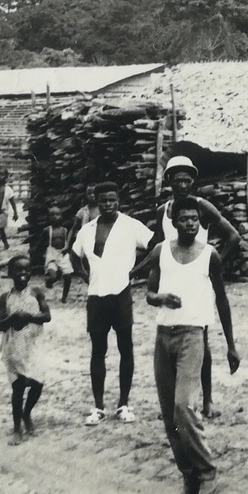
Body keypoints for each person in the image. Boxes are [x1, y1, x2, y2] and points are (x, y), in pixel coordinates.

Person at [146, 195, 241, 494]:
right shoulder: (162, 251)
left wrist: (231, 345)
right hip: (163, 336)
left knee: (184, 405)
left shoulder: (209, 255)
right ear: (173, 223)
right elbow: (149, 292)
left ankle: (207, 470)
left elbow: (222, 300)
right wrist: (161, 298)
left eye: (194, 219)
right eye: (184, 219)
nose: (189, 223)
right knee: (169, 414)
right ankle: (188, 476)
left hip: (192, 335)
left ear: (200, 224)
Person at [137, 154, 244, 419]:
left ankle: (206, 400)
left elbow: (233, 236)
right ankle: (174, 400)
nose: (183, 185)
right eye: (177, 180)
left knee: (201, 341)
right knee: (169, 340)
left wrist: (209, 267)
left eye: (187, 180)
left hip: (197, 280)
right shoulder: (164, 211)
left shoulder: (201, 207)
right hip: (172, 281)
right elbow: (158, 250)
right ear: (169, 181)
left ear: (193, 181)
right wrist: (142, 275)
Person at [70, 181, 153, 425]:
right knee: (98, 350)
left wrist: (135, 272)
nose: (108, 205)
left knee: (125, 348)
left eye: (113, 200)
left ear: (119, 200)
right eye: (104, 200)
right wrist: (84, 275)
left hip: (121, 295)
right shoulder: (88, 229)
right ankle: (98, 407)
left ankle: (124, 404)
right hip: (96, 296)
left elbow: (154, 247)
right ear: (96, 200)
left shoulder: (130, 225)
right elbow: (74, 254)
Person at [0, 254, 51, 444]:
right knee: (18, 388)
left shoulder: (37, 292)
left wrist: (27, 317)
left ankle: (27, 413)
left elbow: (46, 317)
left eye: (27, 270)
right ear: (10, 273)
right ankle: (17, 428)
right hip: (14, 346)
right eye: (19, 270)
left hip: (33, 344)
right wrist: (13, 318)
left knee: (38, 383)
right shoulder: (5, 297)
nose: (23, 273)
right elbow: (0, 325)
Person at [43, 204, 76, 303]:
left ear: (61, 216)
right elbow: (40, 244)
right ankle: (49, 281)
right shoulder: (47, 230)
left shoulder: (65, 230)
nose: (55, 217)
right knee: (53, 276)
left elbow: (70, 243)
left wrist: (68, 250)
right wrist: (42, 254)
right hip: (51, 254)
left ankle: (64, 297)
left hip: (63, 254)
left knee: (68, 277)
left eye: (57, 215)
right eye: (52, 215)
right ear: (48, 217)